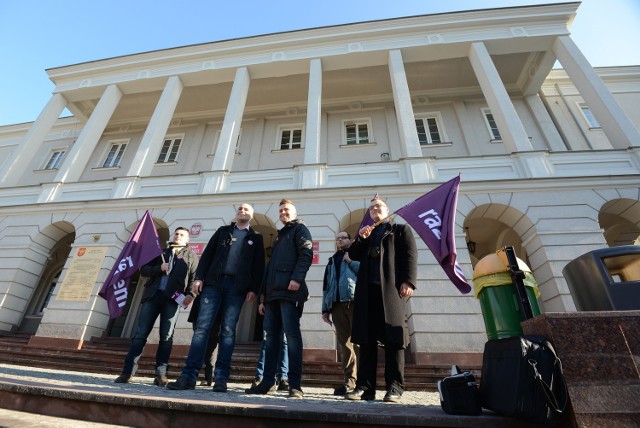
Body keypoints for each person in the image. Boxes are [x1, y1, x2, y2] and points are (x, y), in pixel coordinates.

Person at [167, 203, 265, 392]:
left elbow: (258, 266)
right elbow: (207, 256)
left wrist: (254, 288)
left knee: (228, 331)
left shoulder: (256, 238)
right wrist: (199, 278)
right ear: (236, 214)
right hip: (213, 284)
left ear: (251, 216)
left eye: (246, 210)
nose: (242, 211)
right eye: (240, 209)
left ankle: (221, 378)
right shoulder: (223, 231)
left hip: (237, 288)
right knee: (202, 328)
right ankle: (188, 376)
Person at [345, 197, 417, 403]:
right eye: (371, 207)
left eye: (378, 206)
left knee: (394, 340)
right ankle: (364, 387)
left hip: (391, 291)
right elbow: (353, 254)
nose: (375, 209)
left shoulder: (400, 230)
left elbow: (410, 255)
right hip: (367, 294)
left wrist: (408, 281)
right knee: (366, 341)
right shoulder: (366, 233)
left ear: (387, 210)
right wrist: (361, 238)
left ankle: (394, 387)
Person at [245, 199, 312, 398]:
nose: (283, 213)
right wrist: (262, 297)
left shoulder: (300, 229)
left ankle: (294, 385)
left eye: (287, 210)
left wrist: (297, 278)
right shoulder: (279, 236)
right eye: (281, 210)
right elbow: (270, 267)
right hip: (272, 295)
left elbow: (306, 254)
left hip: (290, 291)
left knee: (291, 337)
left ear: (294, 212)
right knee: (271, 339)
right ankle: (267, 382)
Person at [114, 227, 198, 386]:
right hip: (153, 297)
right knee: (140, 335)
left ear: (187, 240)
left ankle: (160, 374)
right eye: (176, 234)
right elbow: (144, 270)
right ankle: (127, 372)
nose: (178, 236)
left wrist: (190, 295)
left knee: (166, 337)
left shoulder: (191, 257)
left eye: (182, 235)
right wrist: (159, 268)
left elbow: (194, 279)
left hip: (173, 300)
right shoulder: (161, 253)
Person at [322, 231, 359, 396]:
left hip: (354, 302)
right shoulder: (332, 261)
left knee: (359, 343)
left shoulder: (357, 254)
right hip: (336, 305)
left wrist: (351, 262)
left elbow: (366, 272)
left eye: (343, 237)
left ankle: (363, 382)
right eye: (338, 238)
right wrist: (325, 308)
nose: (340, 240)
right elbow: (326, 286)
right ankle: (349, 382)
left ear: (350, 240)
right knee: (345, 345)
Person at [187, 297, 222, 386]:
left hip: (215, 312)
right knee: (201, 341)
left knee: (211, 343)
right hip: (200, 310)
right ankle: (193, 377)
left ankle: (207, 376)